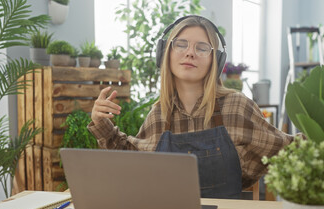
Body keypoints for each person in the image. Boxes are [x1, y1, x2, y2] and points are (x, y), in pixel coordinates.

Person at [88, 15, 294, 199]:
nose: (190, 53)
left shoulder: (237, 107)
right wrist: (101, 123)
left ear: (216, 61)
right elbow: (134, 162)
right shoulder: (159, 114)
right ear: (165, 53)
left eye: (202, 48)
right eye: (181, 44)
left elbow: (289, 152)